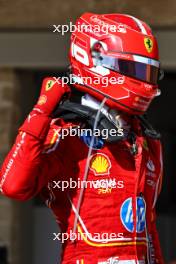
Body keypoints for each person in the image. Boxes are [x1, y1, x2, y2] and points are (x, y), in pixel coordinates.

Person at [0, 13, 164, 263]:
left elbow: (148, 231)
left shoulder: (145, 140)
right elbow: (12, 186)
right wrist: (41, 111)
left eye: (150, 73)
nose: (144, 81)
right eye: (135, 69)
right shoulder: (66, 133)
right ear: (96, 59)